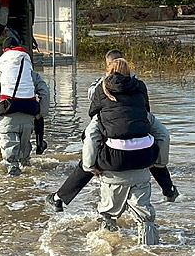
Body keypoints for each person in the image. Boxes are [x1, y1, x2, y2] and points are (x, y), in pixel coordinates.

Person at [46, 50, 178, 212]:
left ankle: (60, 198)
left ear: (108, 66)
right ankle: (169, 190)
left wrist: (90, 164)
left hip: (112, 143)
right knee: (148, 145)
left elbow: (93, 116)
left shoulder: (100, 86)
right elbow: (157, 126)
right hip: (141, 137)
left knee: (91, 157)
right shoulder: (138, 84)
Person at [81, 110, 170, 246]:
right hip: (141, 170)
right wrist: (159, 162)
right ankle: (151, 254)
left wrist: (89, 165)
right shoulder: (143, 113)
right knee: (145, 218)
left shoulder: (102, 114)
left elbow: (91, 137)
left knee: (107, 214)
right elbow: (163, 135)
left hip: (113, 173)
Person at [0, 33, 49, 176]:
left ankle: (14, 190)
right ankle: (39, 146)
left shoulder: (1, 69)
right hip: (29, 116)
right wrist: (41, 113)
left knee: (11, 163)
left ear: (4, 51)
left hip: (8, 116)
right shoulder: (29, 70)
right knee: (25, 158)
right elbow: (44, 91)